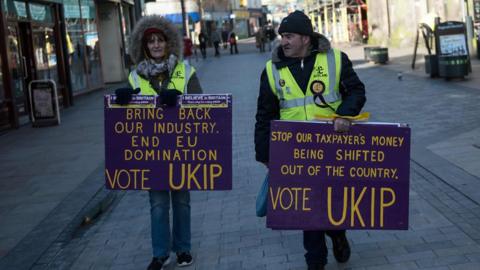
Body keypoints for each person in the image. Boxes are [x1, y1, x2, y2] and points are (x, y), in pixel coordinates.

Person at [254, 10, 366, 270]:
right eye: (282, 36)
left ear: (306, 38)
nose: (284, 41)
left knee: (332, 202)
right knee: (307, 208)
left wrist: (345, 115)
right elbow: (264, 115)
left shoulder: (336, 59)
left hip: (333, 149)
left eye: (289, 36)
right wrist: (265, 154)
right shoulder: (271, 70)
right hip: (295, 153)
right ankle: (315, 261)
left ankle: (337, 234)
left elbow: (356, 91)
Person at [114, 15, 202, 270]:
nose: (155, 45)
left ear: (168, 43)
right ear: (144, 47)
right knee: (158, 204)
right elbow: (123, 120)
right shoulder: (134, 77)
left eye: (160, 40)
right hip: (151, 153)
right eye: (150, 41)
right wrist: (123, 99)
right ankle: (160, 254)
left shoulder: (186, 71)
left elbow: (203, 107)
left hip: (182, 149)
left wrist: (181, 101)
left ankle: (183, 250)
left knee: (182, 202)